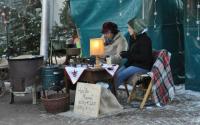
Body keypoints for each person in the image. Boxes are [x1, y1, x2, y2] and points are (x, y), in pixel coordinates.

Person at [115, 18, 153, 89]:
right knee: (116, 74)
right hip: (133, 64)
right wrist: (125, 54)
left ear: (136, 28)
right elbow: (131, 54)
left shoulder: (145, 40)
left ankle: (109, 94)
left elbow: (144, 58)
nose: (128, 30)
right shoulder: (132, 38)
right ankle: (109, 93)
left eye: (130, 28)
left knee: (121, 75)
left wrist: (128, 55)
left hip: (143, 66)